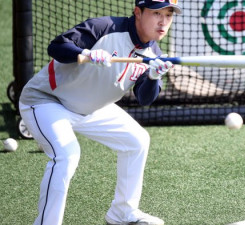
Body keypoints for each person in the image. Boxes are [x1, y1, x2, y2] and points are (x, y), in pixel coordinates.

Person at [18, 0, 182, 224]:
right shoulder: (104, 28)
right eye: (156, 13)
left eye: (169, 15)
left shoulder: (154, 53)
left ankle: (122, 212)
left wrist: (153, 77)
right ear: (138, 12)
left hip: (93, 109)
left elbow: (145, 98)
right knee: (67, 155)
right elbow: (56, 47)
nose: (163, 22)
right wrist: (84, 52)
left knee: (137, 141)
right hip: (48, 101)